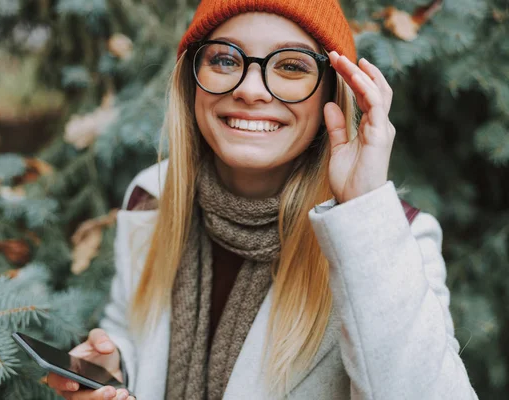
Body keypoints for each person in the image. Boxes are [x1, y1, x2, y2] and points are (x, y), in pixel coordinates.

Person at [48, 0, 478, 399]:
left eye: (291, 65)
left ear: (332, 92)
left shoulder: (386, 235)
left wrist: (363, 206)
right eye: (224, 59)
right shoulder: (154, 197)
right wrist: (116, 366)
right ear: (191, 80)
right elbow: (136, 332)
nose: (251, 90)